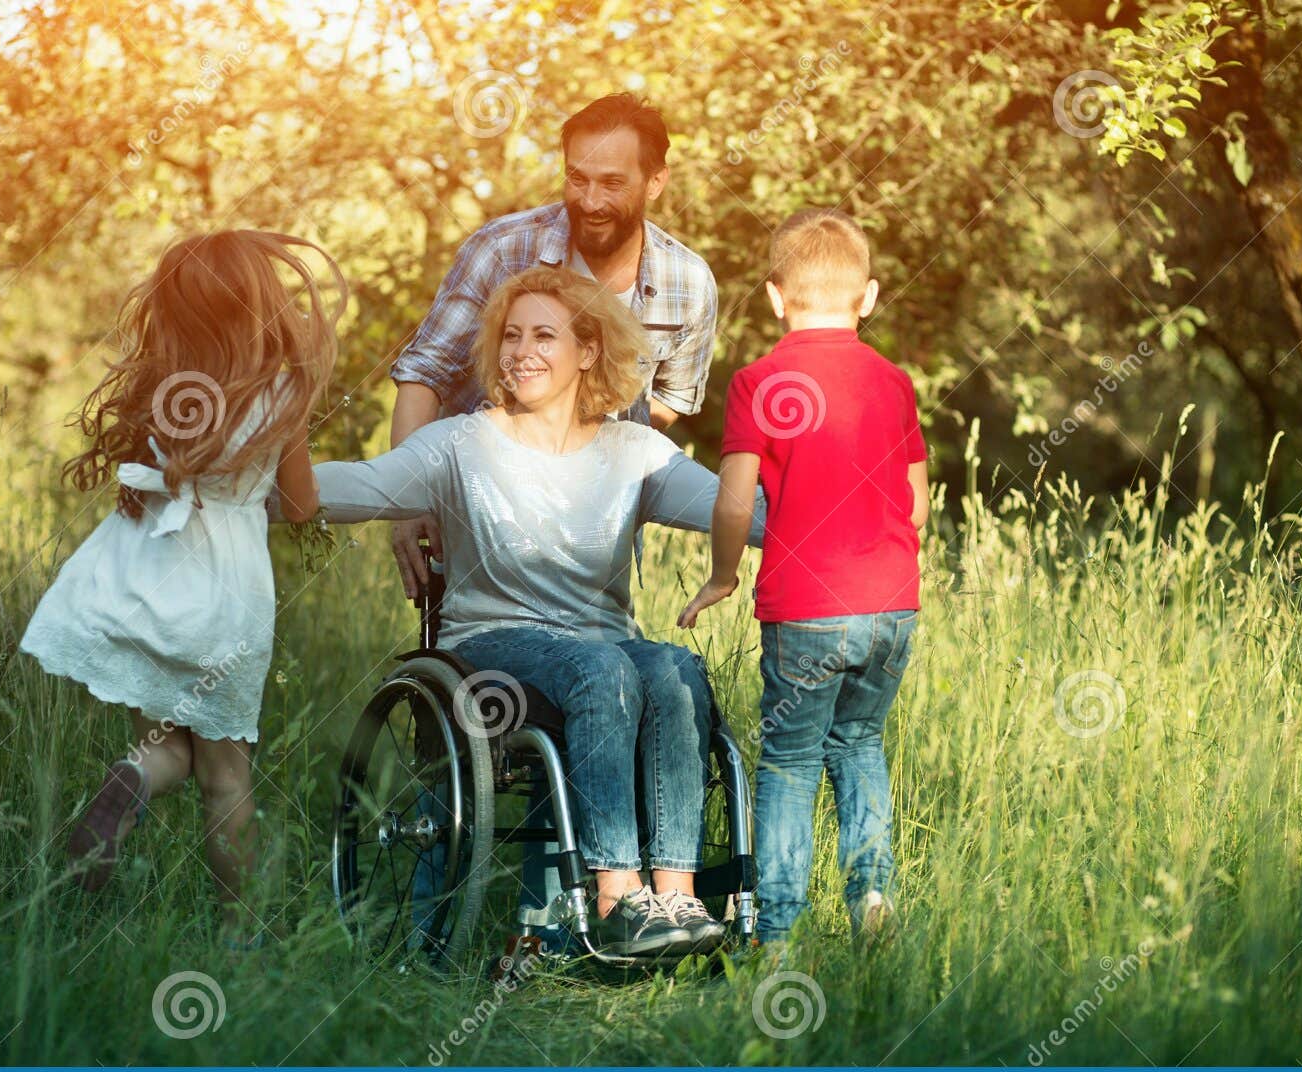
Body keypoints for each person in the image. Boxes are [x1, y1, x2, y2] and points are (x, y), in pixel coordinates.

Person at [301, 266, 761, 958]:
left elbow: (744, 512)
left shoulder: (634, 451)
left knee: (673, 666)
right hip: (488, 649)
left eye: (544, 335)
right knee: (604, 666)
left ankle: (677, 892)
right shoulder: (460, 443)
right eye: (511, 336)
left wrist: (850, 507)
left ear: (589, 350)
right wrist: (239, 481)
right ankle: (617, 894)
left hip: (597, 647)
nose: (522, 351)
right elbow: (362, 484)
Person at [19, 230, 346, 941]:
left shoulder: (165, 386)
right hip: (226, 592)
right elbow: (300, 505)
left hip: (149, 580)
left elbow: (149, 482)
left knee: (165, 745)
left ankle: (130, 781)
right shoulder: (282, 391)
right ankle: (242, 936)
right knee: (225, 774)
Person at [678, 208, 929, 944]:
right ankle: (871, 893)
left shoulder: (761, 381)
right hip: (890, 606)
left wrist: (723, 575)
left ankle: (778, 928)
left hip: (806, 606)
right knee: (859, 743)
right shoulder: (894, 382)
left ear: (775, 296)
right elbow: (915, 505)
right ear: (871, 295)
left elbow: (732, 497)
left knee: (788, 759)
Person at [385, 91, 717, 598]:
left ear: (655, 182)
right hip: (480, 528)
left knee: (618, 669)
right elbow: (425, 373)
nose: (590, 201)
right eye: (577, 178)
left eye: (612, 183)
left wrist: (588, 445)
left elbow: (668, 402)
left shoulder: (689, 283)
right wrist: (407, 498)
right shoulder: (501, 250)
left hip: (594, 539)